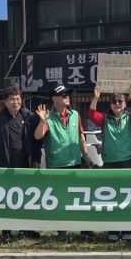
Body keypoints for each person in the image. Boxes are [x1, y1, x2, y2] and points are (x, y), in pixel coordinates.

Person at [88, 82, 131, 242]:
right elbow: (91, 114)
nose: (117, 104)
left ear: (125, 104)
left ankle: (127, 229)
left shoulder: (130, 118)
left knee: (128, 197)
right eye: (114, 101)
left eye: (120, 101)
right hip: (110, 163)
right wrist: (96, 98)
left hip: (128, 162)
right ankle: (113, 229)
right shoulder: (105, 119)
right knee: (111, 198)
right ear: (110, 105)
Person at [35, 84, 90, 240]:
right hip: (57, 166)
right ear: (54, 99)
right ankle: (62, 232)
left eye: (68, 94)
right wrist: (42, 122)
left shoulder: (75, 115)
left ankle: (85, 230)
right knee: (60, 199)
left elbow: (81, 136)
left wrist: (86, 155)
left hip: (75, 163)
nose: (67, 97)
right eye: (63, 95)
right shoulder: (48, 117)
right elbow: (38, 136)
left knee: (79, 198)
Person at [0, 85, 42, 241]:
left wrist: (37, 159)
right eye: (12, 99)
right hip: (5, 164)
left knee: (27, 198)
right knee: (7, 199)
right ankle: (6, 232)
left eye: (18, 99)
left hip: (26, 163)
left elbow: (36, 142)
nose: (15, 102)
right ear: (5, 101)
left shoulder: (29, 117)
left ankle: (27, 230)